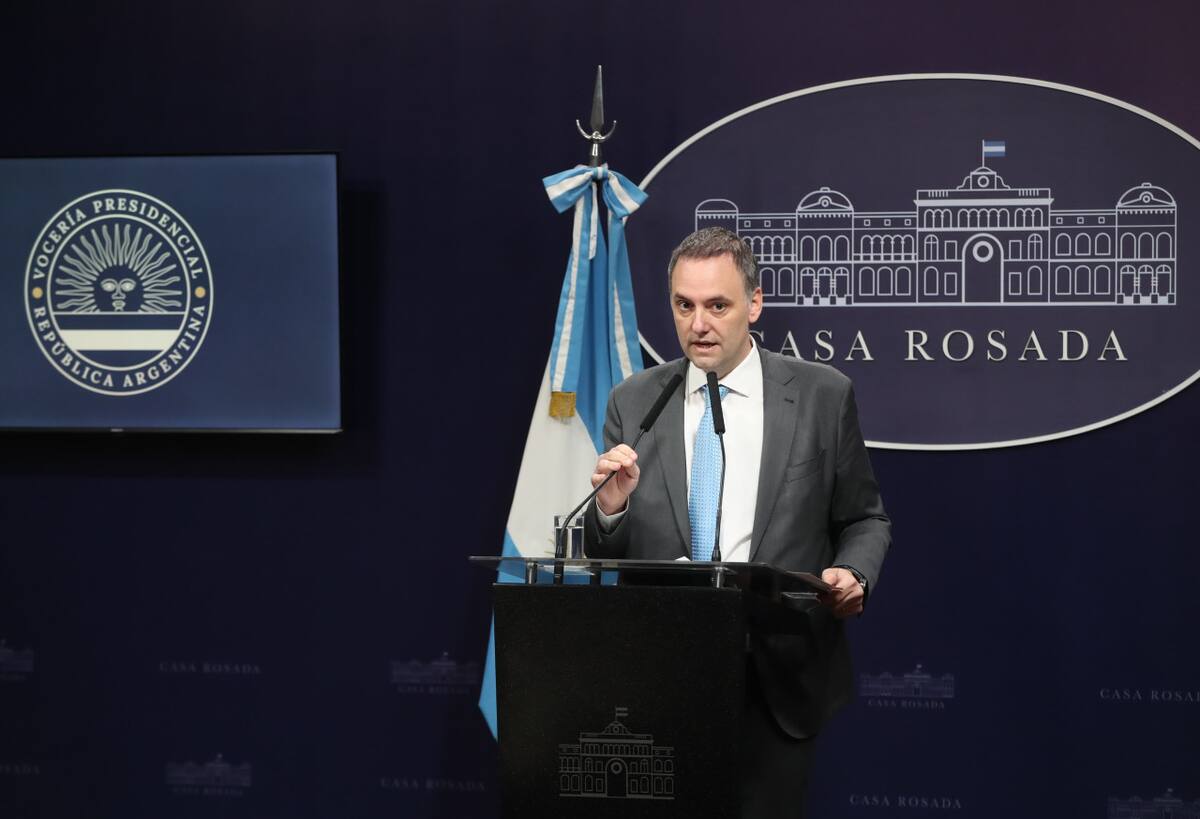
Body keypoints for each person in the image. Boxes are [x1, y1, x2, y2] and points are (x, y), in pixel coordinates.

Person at [583, 226, 891, 818]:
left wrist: (853, 572)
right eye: (684, 305)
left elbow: (865, 518)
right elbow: (604, 553)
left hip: (778, 670)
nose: (698, 324)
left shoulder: (823, 396)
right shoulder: (634, 401)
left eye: (717, 305)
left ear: (754, 303)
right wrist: (611, 507)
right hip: (662, 676)